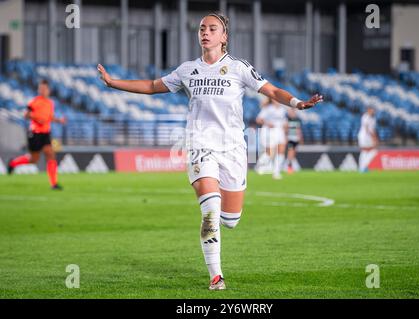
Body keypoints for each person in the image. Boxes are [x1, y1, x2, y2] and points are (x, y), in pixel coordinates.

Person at [97, 12, 323, 290]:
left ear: (224, 36)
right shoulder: (187, 69)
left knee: (231, 220)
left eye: (212, 28)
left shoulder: (239, 68)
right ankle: (216, 276)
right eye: (202, 28)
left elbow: (272, 91)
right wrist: (113, 83)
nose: (205, 32)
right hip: (199, 144)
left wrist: (298, 103)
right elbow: (153, 86)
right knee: (210, 210)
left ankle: (224, 232)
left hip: (233, 149)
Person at [8, 79, 66, 190]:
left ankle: (54, 184)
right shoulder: (35, 101)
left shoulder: (50, 103)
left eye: (44, 89)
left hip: (45, 133)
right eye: (41, 88)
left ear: (48, 90)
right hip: (35, 133)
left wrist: (59, 120)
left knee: (50, 154)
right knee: (34, 159)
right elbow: (26, 115)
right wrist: (37, 118)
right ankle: (13, 163)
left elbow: (49, 117)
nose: (42, 91)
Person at [255, 98, 288, 179]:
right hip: (270, 131)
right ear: (272, 100)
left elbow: (284, 121)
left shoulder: (282, 109)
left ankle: (276, 172)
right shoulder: (268, 108)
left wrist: (285, 132)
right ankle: (259, 165)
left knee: (281, 151)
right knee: (270, 152)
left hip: (280, 131)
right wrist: (267, 123)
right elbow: (258, 119)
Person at [357, 107, 378, 172]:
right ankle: (362, 167)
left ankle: (363, 167)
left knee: (369, 151)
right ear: (368, 110)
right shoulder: (365, 117)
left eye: (373, 110)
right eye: (372, 110)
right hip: (364, 136)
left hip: (368, 137)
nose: (373, 112)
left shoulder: (373, 119)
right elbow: (367, 128)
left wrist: (375, 137)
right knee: (367, 150)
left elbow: (372, 129)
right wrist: (373, 138)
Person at [284, 108, 304, 173]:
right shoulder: (287, 119)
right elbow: (285, 130)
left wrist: (300, 137)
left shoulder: (297, 120)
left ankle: (290, 165)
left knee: (293, 153)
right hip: (290, 138)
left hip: (295, 138)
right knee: (291, 152)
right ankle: (289, 166)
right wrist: (285, 137)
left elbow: (298, 129)